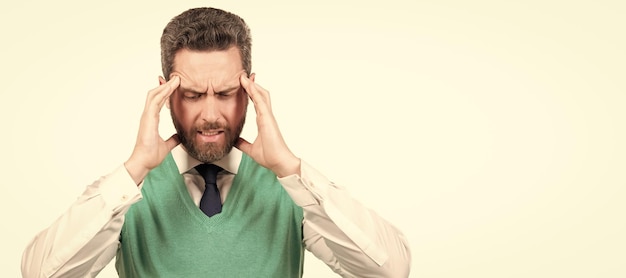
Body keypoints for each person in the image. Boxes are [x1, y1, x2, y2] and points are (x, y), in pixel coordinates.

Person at [21, 7, 411, 278]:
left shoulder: (291, 190)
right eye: (192, 95)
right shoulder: (128, 193)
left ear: (251, 89)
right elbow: (40, 272)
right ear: (165, 93)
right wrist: (134, 169)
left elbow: (390, 269)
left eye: (225, 93)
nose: (210, 115)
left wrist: (291, 170)